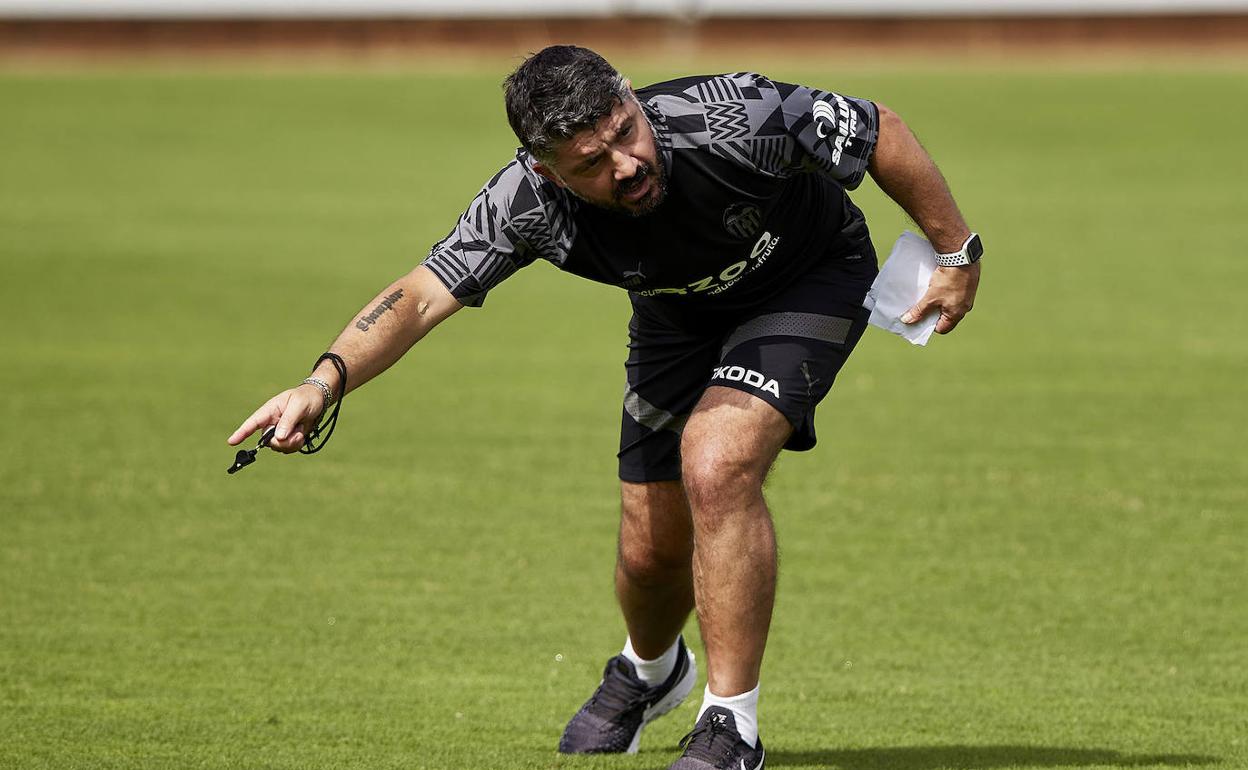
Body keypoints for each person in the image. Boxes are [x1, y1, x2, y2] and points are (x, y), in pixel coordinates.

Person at [228, 45, 981, 770]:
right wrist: (321, 382)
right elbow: (422, 296)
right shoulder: (528, 205)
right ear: (545, 170)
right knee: (649, 552)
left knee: (716, 464)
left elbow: (880, 129)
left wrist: (955, 253)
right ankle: (651, 671)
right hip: (675, 318)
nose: (626, 165)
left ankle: (731, 724)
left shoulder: (735, 116)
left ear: (629, 96)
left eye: (625, 133)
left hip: (807, 278)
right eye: (590, 163)